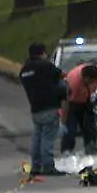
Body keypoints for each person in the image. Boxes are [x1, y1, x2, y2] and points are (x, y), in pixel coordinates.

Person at [20, 43, 64, 178]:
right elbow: (61, 76)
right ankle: (48, 166)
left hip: (35, 107)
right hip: (49, 106)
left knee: (37, 138)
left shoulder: (25, 70)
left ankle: (36, 166)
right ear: (42, 53)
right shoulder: (45, 66)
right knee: (48, 138)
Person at [60, 63, 97, 155]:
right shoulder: (73, 83)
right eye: (90, 81)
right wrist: (63, 121)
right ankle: (66, 151)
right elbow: (65, 102)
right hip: (72, 103)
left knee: (90, 128)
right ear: (86, 78)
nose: (91, 83)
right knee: (70, 129)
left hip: (87, 101)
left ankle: (91, 149)